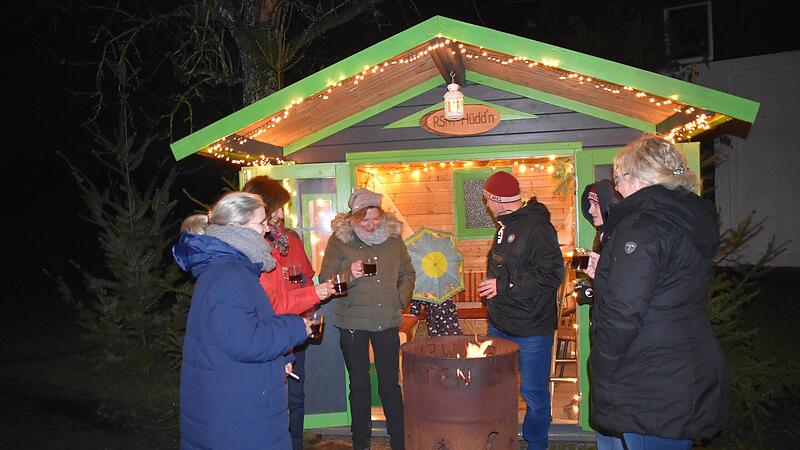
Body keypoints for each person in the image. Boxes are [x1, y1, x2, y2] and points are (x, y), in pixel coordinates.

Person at [589, 135, 730, 450]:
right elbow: (665, 286)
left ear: (638, 177)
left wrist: (600, 363)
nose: (617, 188)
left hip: (649, 377)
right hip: (681, 364)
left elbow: (623, 310)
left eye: (618, 178)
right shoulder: (683, 216)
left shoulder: (644, 224)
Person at [172, 192, 310, 450]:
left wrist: (280, 359)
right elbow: (246, 342)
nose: (267, 229)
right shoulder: (228, 274)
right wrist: (295, 327)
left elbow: (237, 332)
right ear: (237, 227)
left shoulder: (232, 269)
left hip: (237, 404)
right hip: (236, 416)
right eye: (261, 222)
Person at [242, 175, 335, 450]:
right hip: (269, 335)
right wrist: (313, 294)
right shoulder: (253, 252)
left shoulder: (289, 240)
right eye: (277, 208)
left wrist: (309, 303)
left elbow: (305, 276)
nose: (282, 215)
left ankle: (294, 443)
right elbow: (272, 304)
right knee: (271, 402)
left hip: (294, 326)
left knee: (295, 394)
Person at [319, 187, 415, 450]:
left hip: (386, 320)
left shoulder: (394, 240)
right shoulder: (340, 241)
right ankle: (361, 443)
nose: (372, 225)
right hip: (352, 323)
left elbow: (408, 273)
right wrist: (349, 273)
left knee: (389, 386)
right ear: (354, 217)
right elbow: (325, 279)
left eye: (376, 218)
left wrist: (399, 299)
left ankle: (400, 442)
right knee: (360, 386)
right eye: (365, 219)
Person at [476, 171, 565, 450]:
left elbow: (552, 275)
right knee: (497, 389)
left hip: (531, 328)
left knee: (533, 393)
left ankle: (537, 444)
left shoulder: (537, 227)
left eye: (488, 200)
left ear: (497, 200)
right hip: (500, 324)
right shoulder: (505, 225)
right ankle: (502, 441)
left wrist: (503, 285)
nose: (487, 205)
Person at [573, 180, 622, 304]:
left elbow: (625, 284)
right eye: (590, 204)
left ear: (608, 205)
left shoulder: (622, 237)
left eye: (595, 205)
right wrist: (590, 286)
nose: (590, 210)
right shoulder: (602, 234)